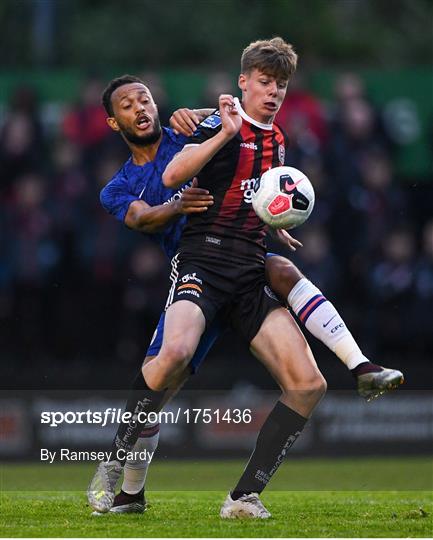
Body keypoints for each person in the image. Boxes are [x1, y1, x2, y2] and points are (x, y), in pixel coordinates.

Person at [87, 66, 403, 516]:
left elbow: (238, 134)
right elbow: (140, 218)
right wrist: (176, 205)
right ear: (114, 123)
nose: (140, 107)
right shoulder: (117, 186)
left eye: (144, 99)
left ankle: (245, 492)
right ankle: (127, 486)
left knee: (283, 276)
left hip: (245, 260)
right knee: (160, 385)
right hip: (196, 266)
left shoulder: (189, 127)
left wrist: (272, 216)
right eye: (128, 105)